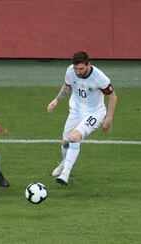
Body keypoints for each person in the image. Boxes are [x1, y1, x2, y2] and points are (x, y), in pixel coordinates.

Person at [47, 51, 118, 185]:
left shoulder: (100, 78)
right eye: (76, 69)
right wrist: (56, 101)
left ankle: (65, 175)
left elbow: (113, 96)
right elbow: (67, 86)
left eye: (81, 69)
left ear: (88, 65)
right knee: (65, 143)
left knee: (74, 137)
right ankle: (66, 163)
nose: (78, 72)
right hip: (75, 111)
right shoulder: (70, 71)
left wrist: (109, 119)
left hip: (95, 113)